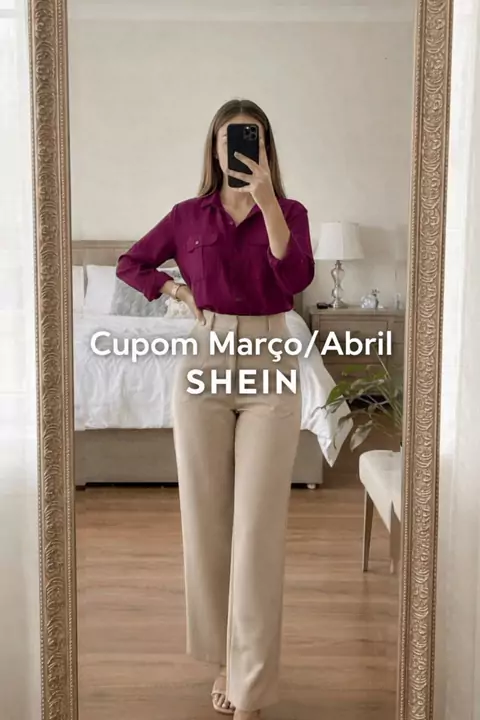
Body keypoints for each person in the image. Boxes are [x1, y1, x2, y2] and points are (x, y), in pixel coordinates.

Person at [116, 98, 315, 719]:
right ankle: (227, 658)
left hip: (270, 361)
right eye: (230, 140)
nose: (239, 150)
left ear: (265, 148)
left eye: (250, 139)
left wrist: (267, 203)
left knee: (258, 529)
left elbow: (296, 279)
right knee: (206, 522)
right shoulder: (187, 216)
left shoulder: (290, 213)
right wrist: (175, 289)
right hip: (204, 361)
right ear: (214, 148)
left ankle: (251, 686)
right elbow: (131, 264)